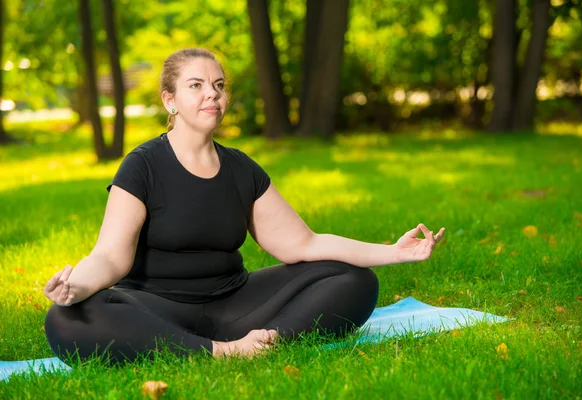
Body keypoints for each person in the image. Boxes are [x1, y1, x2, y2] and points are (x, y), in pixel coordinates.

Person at [43, 48, 445, 365]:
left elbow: (303, 244)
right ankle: (221, 352)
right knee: (69, 317)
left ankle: (264, 343)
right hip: (156, 310)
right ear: (170, 100)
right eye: (196, 86)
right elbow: (110, 256)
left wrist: (393, 253)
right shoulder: (143, 165)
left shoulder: (241, 168)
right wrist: (76, 285)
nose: (211, 95)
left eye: (218, 86)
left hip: (235, 304)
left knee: (353, 280)